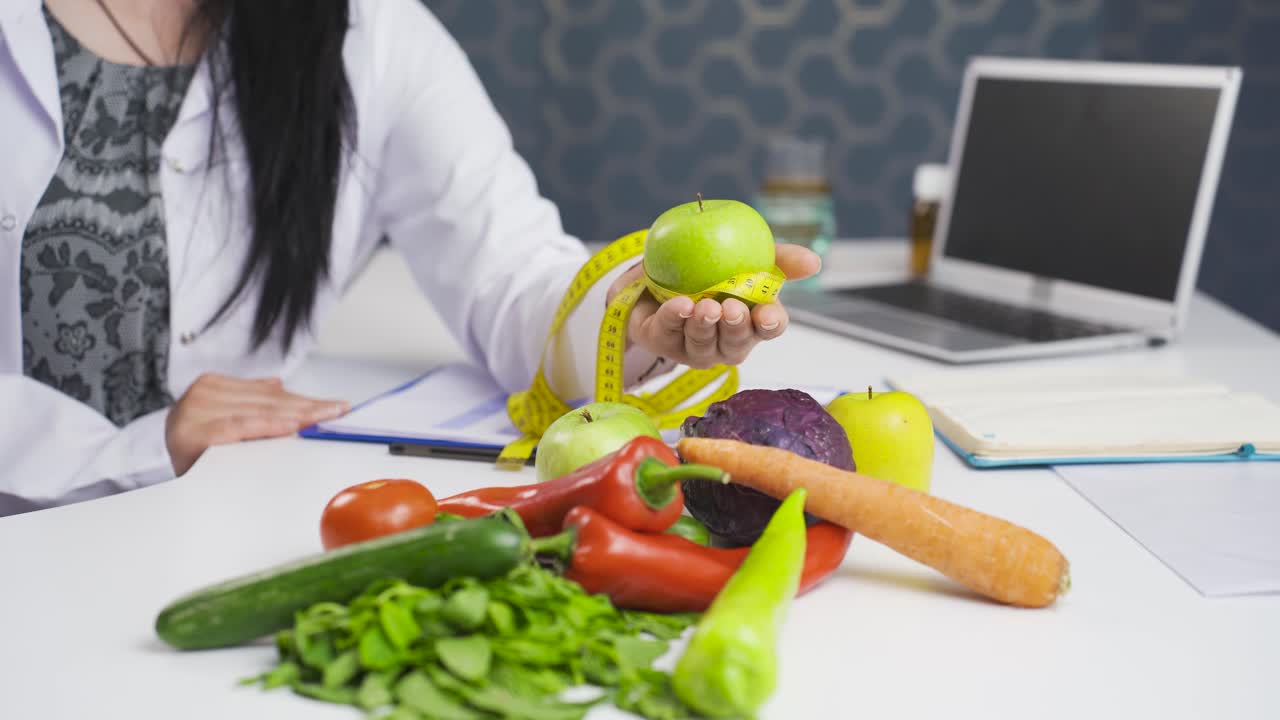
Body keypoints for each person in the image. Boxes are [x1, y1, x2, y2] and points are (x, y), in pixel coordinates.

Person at [0, 0, 819, 515]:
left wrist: (633, 318)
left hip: (220, 514)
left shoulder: (373, 33)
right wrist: (136, 451)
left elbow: (509, 269)